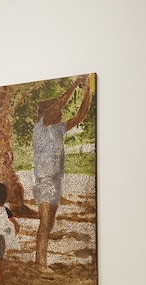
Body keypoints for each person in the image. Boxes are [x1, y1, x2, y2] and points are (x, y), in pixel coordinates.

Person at [33, 75, 92, 271]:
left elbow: (81, 115)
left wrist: (87, 90)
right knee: (44, 223)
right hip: (45, 179)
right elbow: (59, 105)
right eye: (55, 109)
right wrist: (75, 83)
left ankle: (38, 259)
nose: (60, 112)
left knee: (49, 224)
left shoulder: (58, 129)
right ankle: (41, 263)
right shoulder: (42, 125)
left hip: (55, 180)